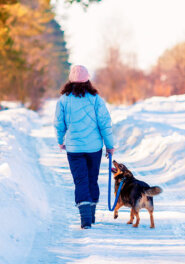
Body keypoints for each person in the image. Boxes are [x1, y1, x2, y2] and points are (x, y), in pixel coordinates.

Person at [54, 65, 115, 229]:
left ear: (70, 81)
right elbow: (105, 124)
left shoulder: (64, 100)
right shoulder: (95, 99)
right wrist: (110, 145)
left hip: (74, 148)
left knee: (81, 181)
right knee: (92, 180)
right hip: (94, 147)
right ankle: (91, 214)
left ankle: (85, 219)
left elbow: (59, 124)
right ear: (88, 79)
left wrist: (60, 140)